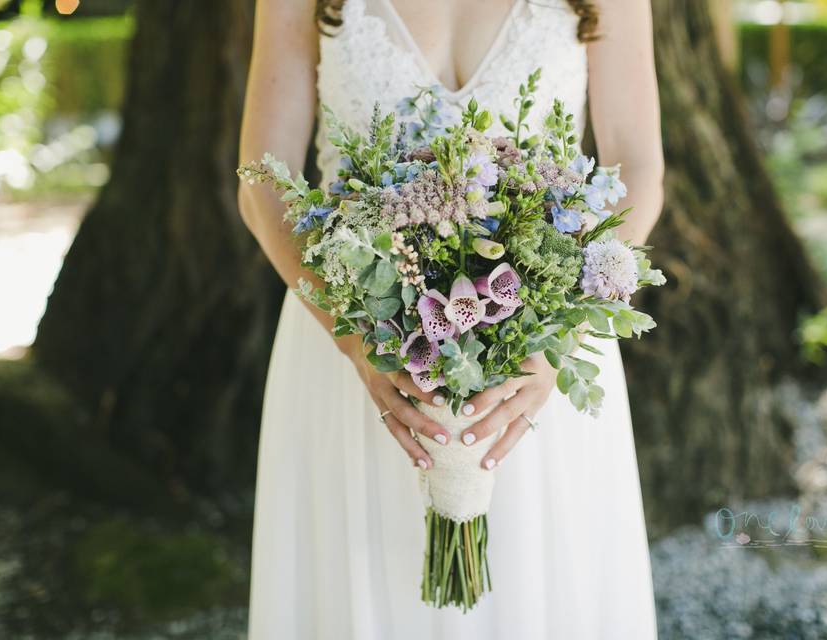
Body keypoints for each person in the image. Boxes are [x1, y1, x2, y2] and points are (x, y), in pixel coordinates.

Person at [238, 0, 664, 637]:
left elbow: (639, 165)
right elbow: (261, 182)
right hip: (350, 347)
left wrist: (558, 338)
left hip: (538, 361)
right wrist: (357, 341)